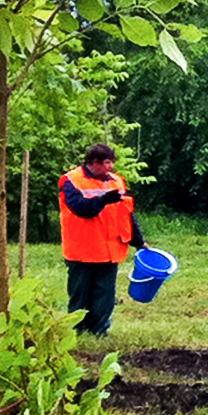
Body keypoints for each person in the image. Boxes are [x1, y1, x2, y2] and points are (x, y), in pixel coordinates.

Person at [59, 143, 144, 336]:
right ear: (94, 163)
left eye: (111, 163)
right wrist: (104, 200)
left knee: (105, 295)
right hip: (81, 250)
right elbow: (81, 209)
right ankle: (77, 332)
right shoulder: (71, 181)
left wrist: (139, 241)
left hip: (109, 251)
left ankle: (99, 331)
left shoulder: (117, 182)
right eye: (107, 163)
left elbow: (127, 214)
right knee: (80, 295)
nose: (111, 167)